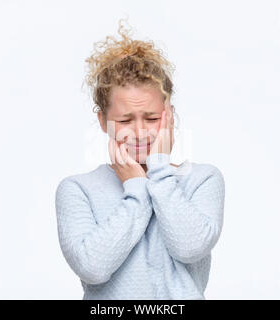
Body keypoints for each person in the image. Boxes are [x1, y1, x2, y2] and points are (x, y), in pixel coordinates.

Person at [55, 18, 225, 300]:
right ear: (102, 120)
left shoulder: (202, 179)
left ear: (168, 113)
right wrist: (135, 190)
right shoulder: (77, 189)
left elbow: (190, 247)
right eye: (124, 120)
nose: (139, 132)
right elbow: (93, 268)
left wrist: (158, 169)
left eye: (152, 118)